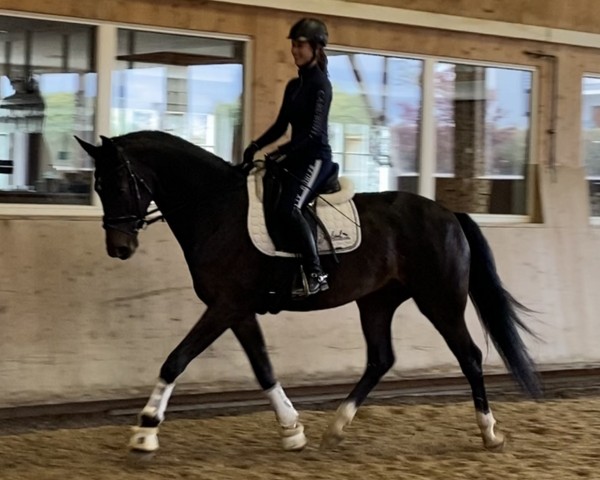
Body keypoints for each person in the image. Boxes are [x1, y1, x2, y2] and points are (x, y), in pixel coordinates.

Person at [241, 17, 335, 296]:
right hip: (296, 156)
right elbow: (282, 126)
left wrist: (279, 153)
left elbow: (313, 134)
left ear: (317, 48)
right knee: (267, 197)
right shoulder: (294, 86)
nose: (295, 51)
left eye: (301, 46)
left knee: (289, 207)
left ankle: (316, 273)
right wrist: (256, 145)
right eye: (294, 45)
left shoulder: (321, 86)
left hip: (316, 158)